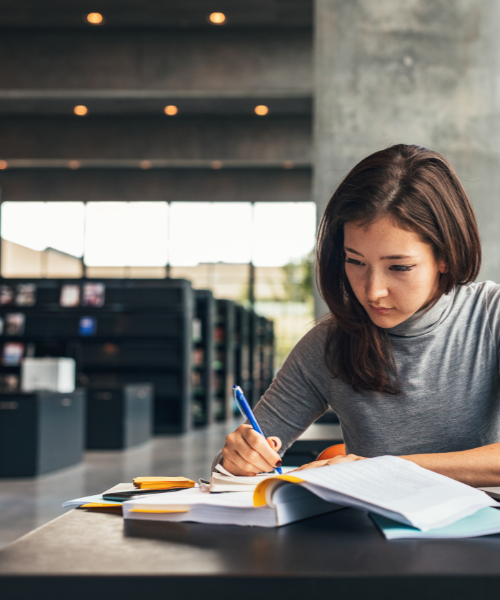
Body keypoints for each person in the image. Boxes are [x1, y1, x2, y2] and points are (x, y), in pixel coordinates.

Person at [216, 144, 500, 487]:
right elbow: (231, 467)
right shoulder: (328, 344)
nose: (372, 291)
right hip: (373, 537)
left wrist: (378, 468)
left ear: (446, 256)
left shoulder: (491, 315)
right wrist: (238, 460)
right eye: (355, 262)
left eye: (399, 267)